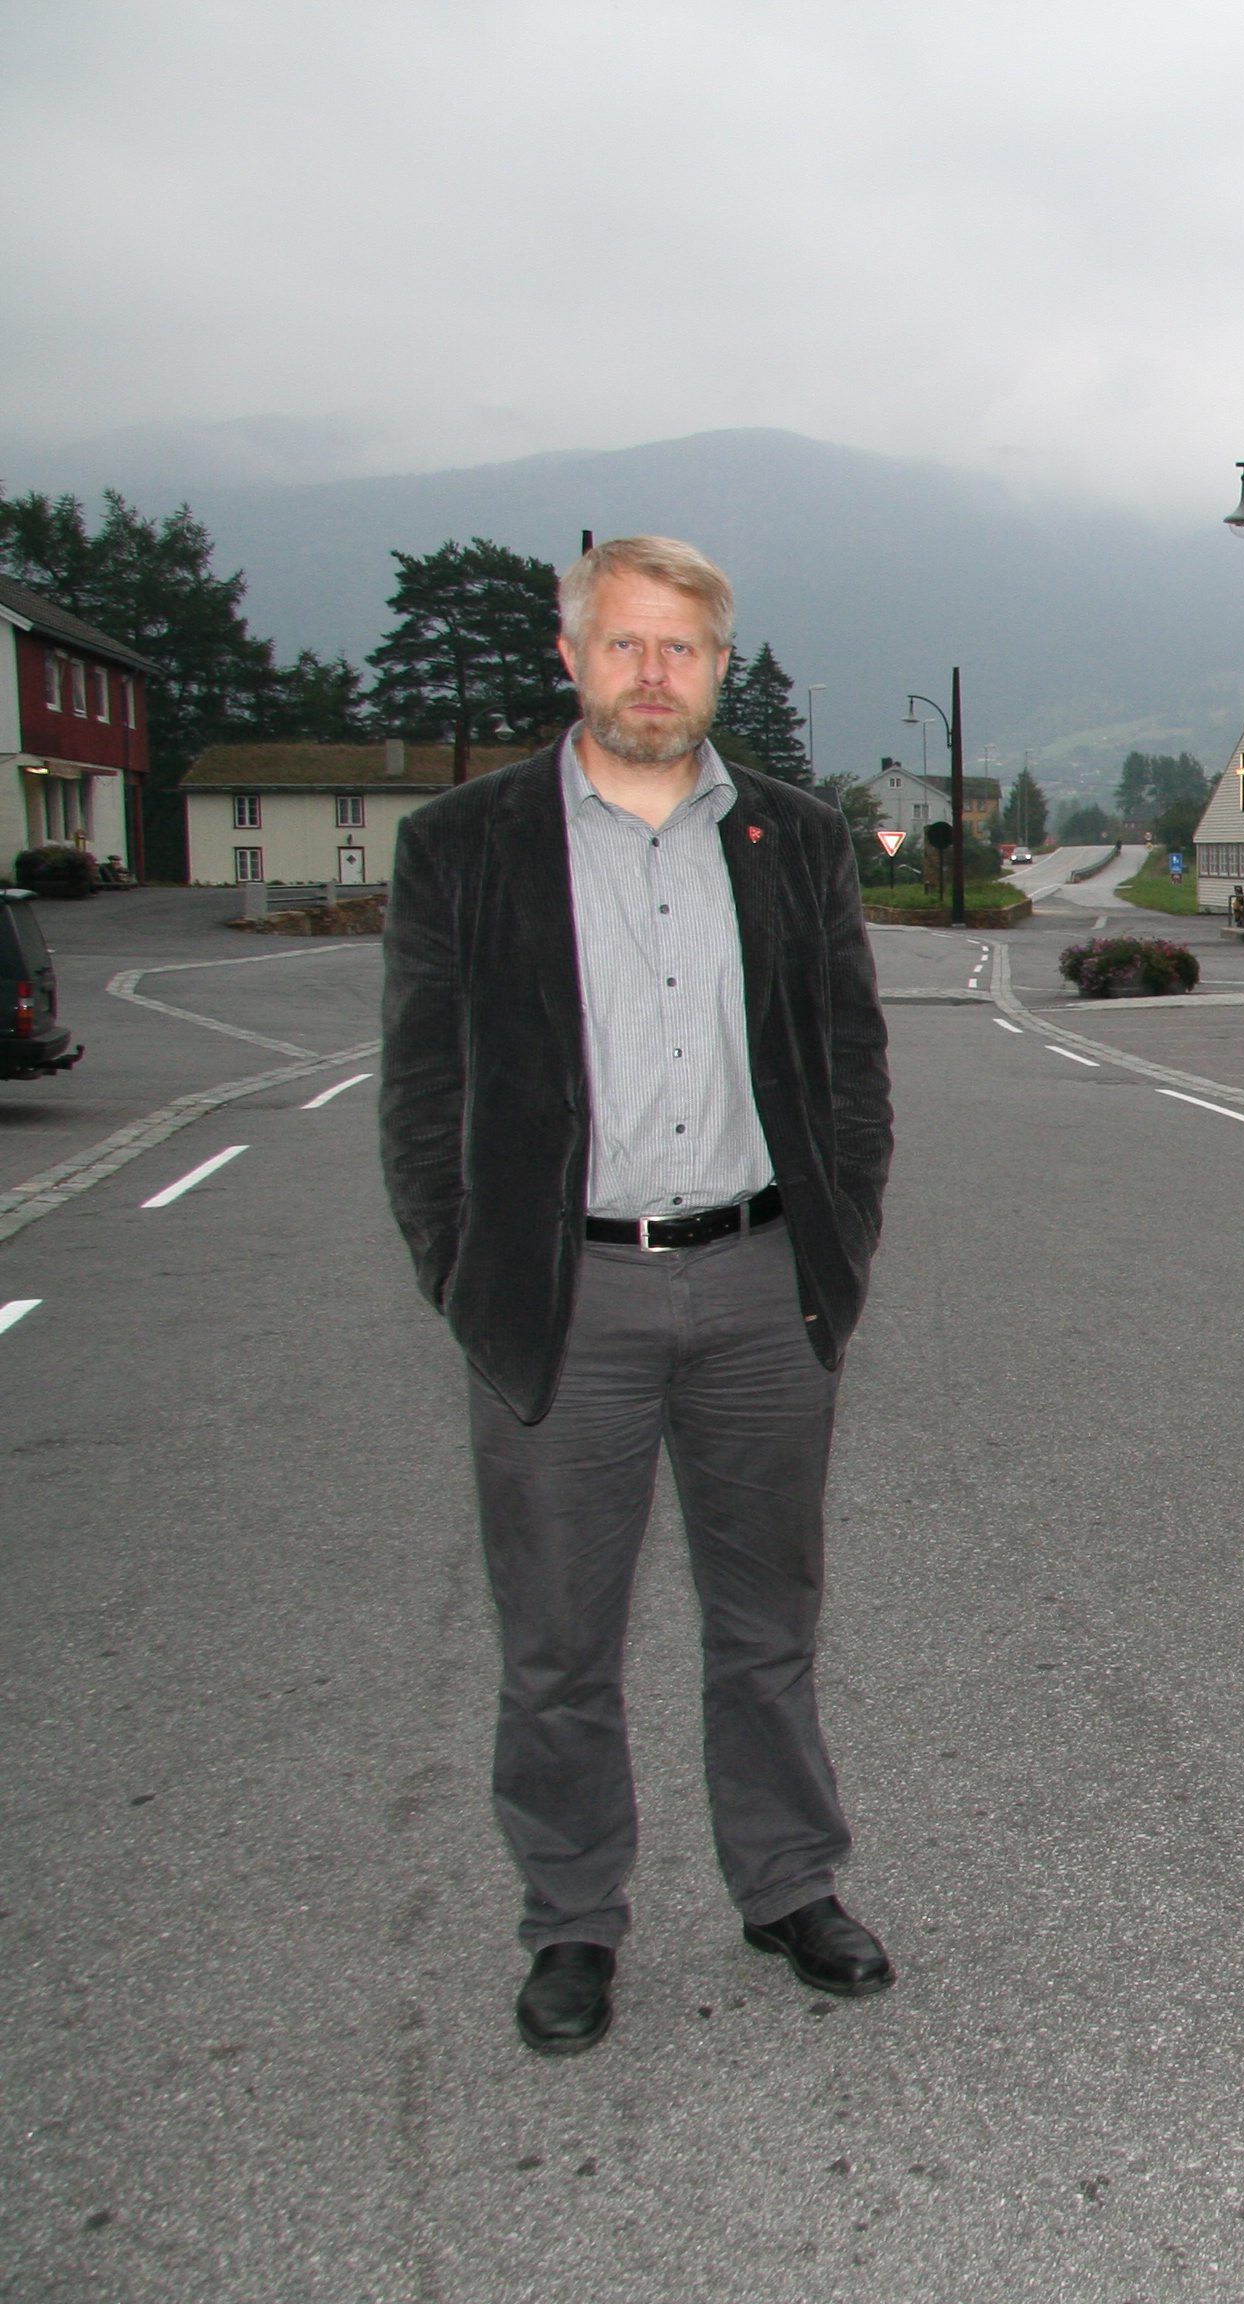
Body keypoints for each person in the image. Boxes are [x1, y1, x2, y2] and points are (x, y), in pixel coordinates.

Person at [380, 535, 895, 2056]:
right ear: (572, 657)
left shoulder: (797, 840)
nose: (652, 674)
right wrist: (469, 1280)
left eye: (682, 647)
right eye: (625, 644)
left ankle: (789, 1885)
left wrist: (837, 1248)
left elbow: (850, 1067)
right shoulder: (467, 843)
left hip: (761, 1287)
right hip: (568, 1298)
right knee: (556, 1643)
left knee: (767, 1624)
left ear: (720, 666)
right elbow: (424, 1092)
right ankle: (572, 1921)